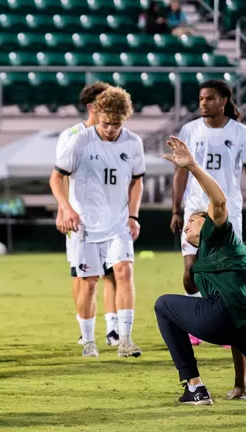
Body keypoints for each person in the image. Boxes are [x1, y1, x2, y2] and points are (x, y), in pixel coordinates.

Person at [50, 86, 145, 359]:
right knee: (88, 281)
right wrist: (65, 208)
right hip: (85, 225)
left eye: (116, 124)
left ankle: (125, 339)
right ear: (97, 113)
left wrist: (133, 215)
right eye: (106, 123)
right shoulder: (78, 141)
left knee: (124, 272)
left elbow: (137, 180)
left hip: (117, 224)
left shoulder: (133, 142)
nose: (111, 129)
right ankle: (89, 340)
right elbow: (56, 177)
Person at [156, 135, 246, 405]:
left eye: (194, 219)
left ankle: (194, 385)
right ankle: (239, 387)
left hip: (225, 315)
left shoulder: (221, 235)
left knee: (163, 305)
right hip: (236, 322)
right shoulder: (201, 256)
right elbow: (191, 288)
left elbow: (218, 202)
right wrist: (240, 384)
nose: (188, 223)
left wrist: (192, 167)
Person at [171, 80, 246, 347]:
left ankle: (231, 322)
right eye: (201, 99)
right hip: (194, 210)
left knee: (227, 271)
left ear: (224, 100)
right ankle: (195, 322)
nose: (203, 103)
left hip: (227, 213)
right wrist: (176, 209)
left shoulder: (240, 132)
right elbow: (180, 172)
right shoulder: (190, 130)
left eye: (210, 99)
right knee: (191, 270)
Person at [53, 82, 120, 351]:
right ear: (92, 106)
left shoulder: (117, 135)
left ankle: (114, 329)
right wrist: (63, 210)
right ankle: (86, 327)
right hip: (81, 217)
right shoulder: (71, 135)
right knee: (83, 276)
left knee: (115, 273)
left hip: (113, 216)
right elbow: (61, 174)